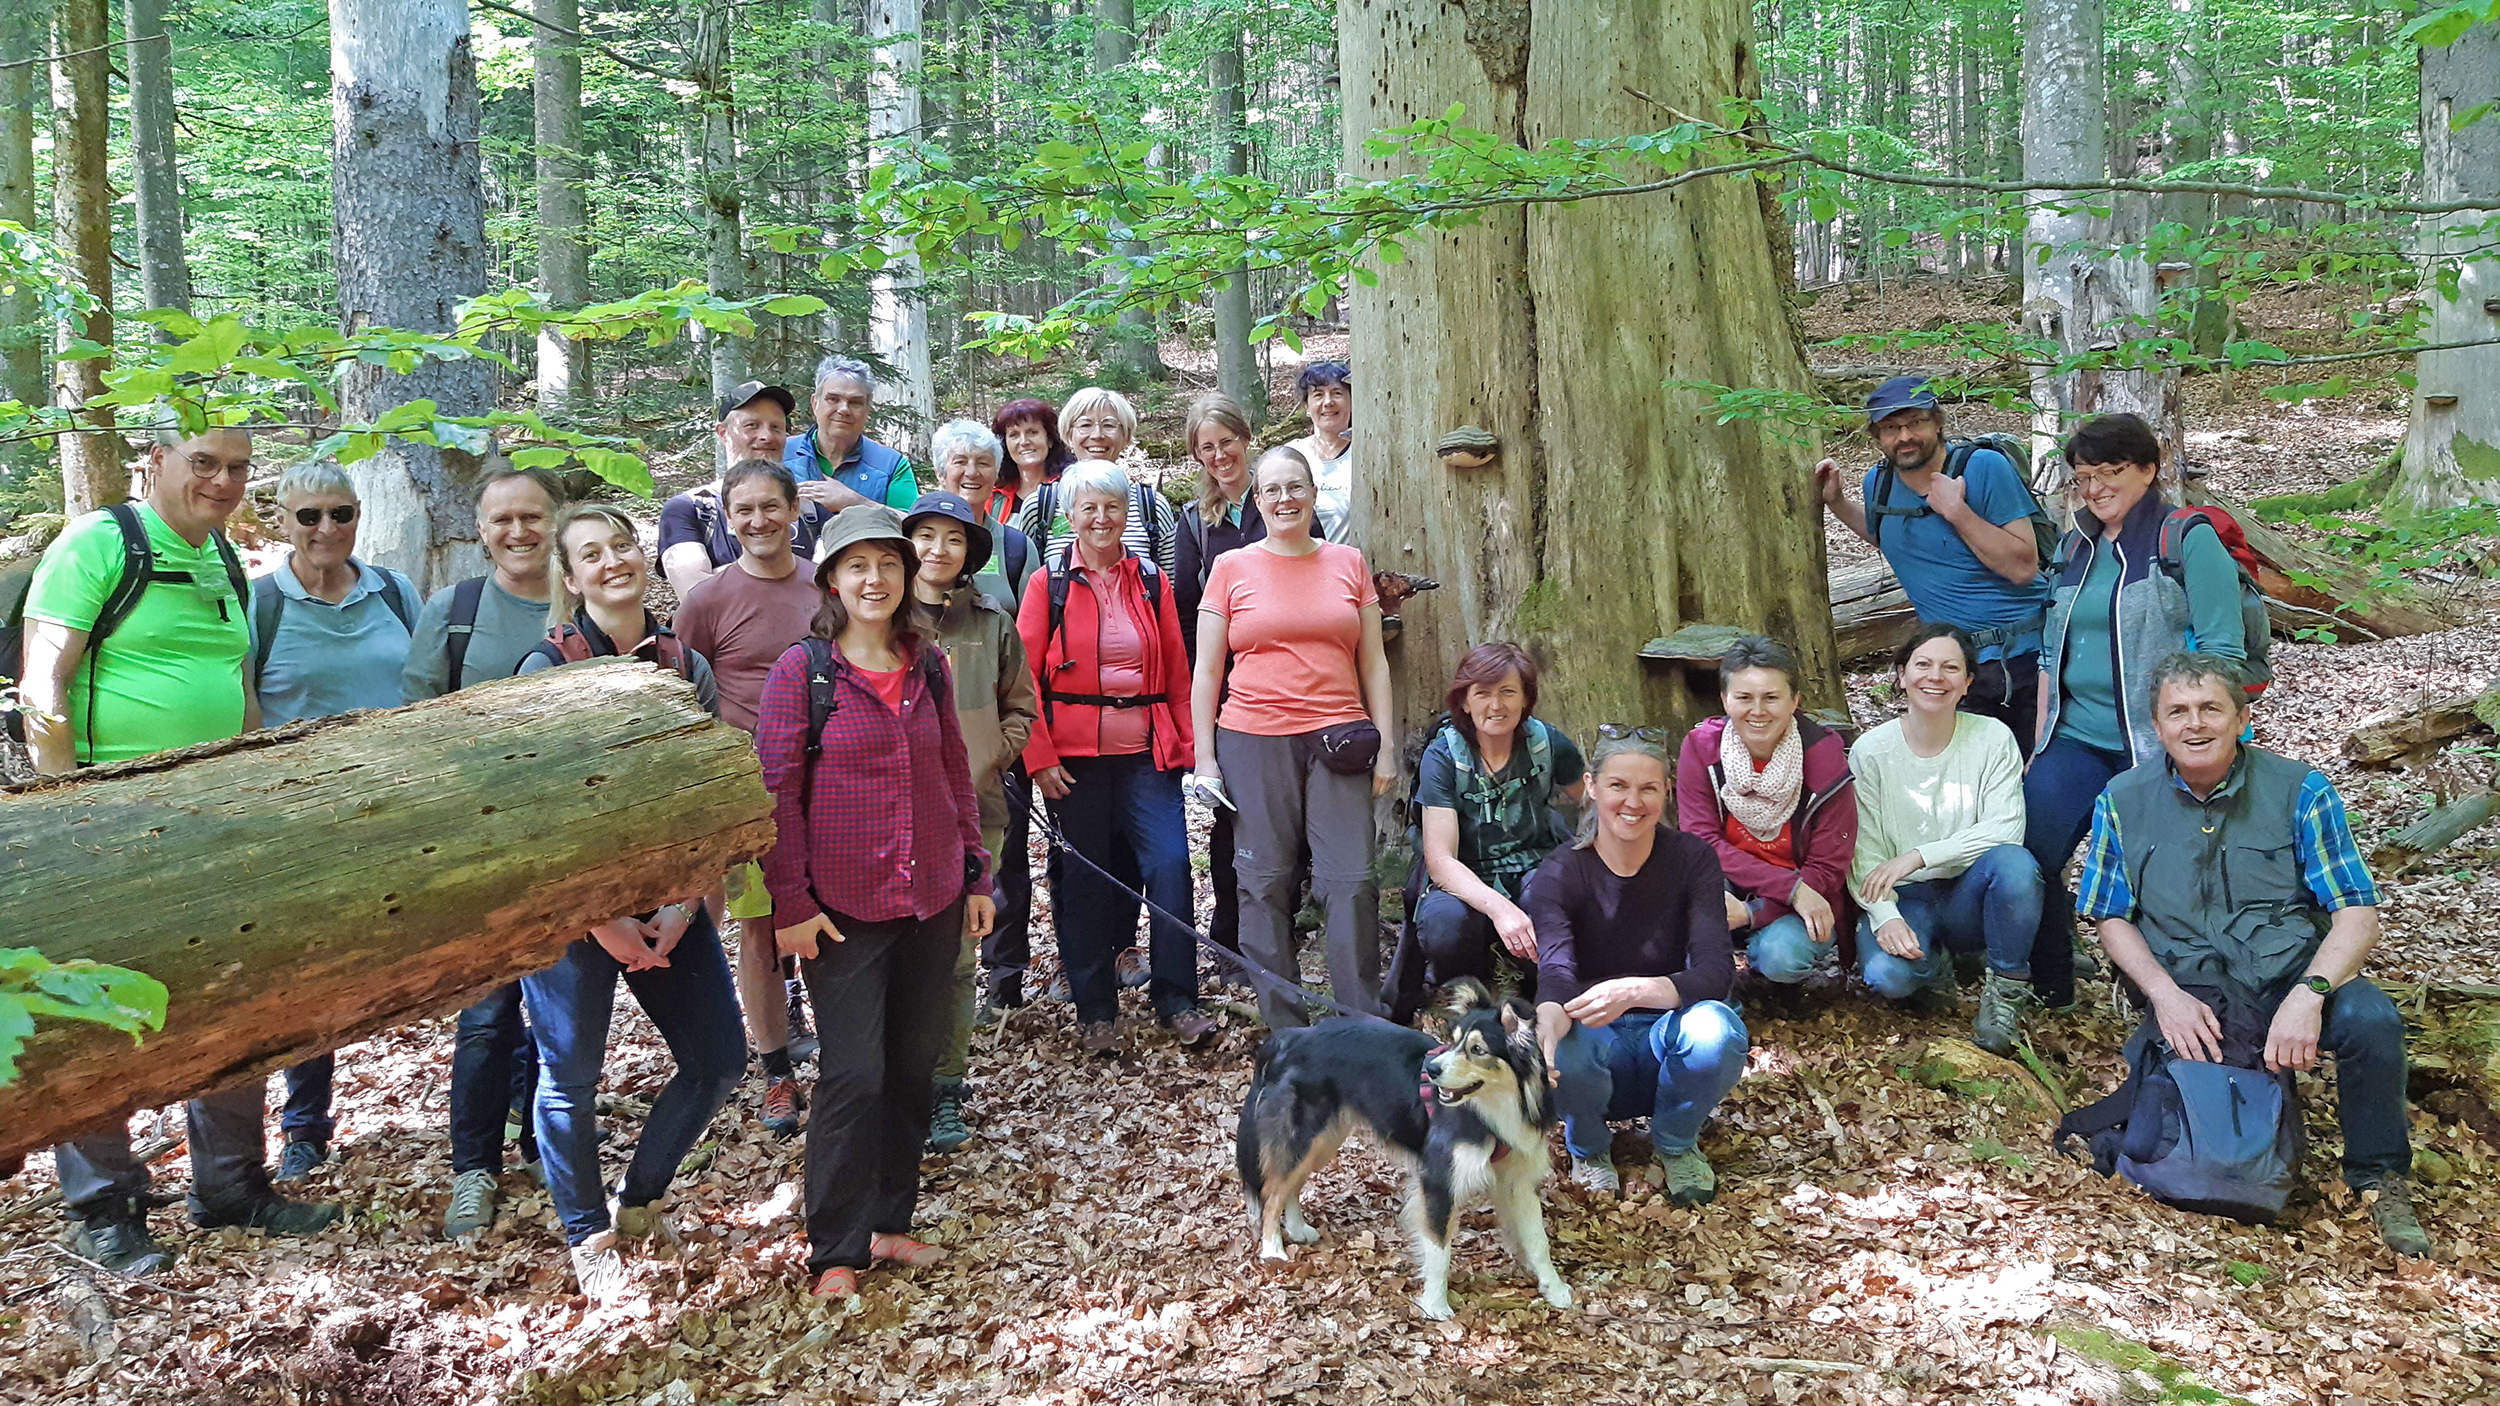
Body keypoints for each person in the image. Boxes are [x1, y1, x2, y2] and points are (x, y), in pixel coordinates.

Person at [18, 420, 337, 1273]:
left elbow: (237, 689)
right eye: (203, 463)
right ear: (153, 462)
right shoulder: (98, 542)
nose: (223, 481)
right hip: (106, 824)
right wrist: (62, 813)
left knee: (233, 999)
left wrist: (257, 791)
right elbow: (42, 683)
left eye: (237, 467)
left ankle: (231, 1186)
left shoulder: (224, 561)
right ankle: (104, 1207)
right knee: (97, 1011)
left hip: (215, 822)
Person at [2075, 652, 2428, 1258]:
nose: (2195, 724)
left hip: (2289, 972)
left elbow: (2357, 914)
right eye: (2177, 712)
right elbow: (2110, 915)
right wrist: (2163, 997)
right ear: (2156, 728)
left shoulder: (2301, 790)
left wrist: (2308, 997)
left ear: (2241, 718)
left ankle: (2380, 1176)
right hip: (2191, 988)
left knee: (2372, 1021)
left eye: (2211, 708)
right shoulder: (2122, 798)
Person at [754, 504, 994, 1300]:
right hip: (843, 910)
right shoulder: (804, 672)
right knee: (854, 1074)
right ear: (829, 579)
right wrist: (790, 904)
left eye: (887, 564)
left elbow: (954, 774)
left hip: (929, 900)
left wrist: (975, 876)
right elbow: (776, 797)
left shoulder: (926, 665)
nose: (874, 579)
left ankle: (890, 1222)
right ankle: (834, 1249)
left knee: (911, 1071)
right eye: (856, 566)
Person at [513, 503, 742, 1303]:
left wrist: (683, 904)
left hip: (668, 903)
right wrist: (597, 919)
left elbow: (709, 798)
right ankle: (588, 1234)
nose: (612, 562)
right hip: (576, 914)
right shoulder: (546, 670)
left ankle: (640, 1202)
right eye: (591, 555)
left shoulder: (683, 664)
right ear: (569, 579)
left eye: (622, 546)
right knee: (568, 1076)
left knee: (719, 1061)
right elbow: (535, 816)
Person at [2026, 412, 2248, 1011]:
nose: (2095, 487)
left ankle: (2166, 997)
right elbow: (2053, 650)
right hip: (2075, 737)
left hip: (2158, 745)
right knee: (2032, 853)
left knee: (2161, 871)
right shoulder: (2076, 543)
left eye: (2110, 472)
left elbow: (2225, 652)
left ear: (2149, 470)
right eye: (2083, 476)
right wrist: (2039, 743)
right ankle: (2052, 987)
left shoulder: (2186, 539)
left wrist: (2203, 741)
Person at [249, 460, 424, 1182]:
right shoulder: (261, 603)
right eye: (309, 516)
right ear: (281, 521)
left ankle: (498, 1109)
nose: (327, 530)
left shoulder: (395, 590)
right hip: (304, 824)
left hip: (402, 808)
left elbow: (425, 685)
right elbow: (247, 710)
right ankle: (304, 1127)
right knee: (308, 975)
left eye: (341, 514)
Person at [405, 462, 567, 1239]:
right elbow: (417, 721)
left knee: (557, 1008)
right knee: (486, 1011)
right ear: (481, 529)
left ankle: (543, 1140)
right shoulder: (457, 609)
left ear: (556, 521)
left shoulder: (580, 603)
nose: (519, 532)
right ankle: (474, 1168)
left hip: (570, 839)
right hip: (484, 840)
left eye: (532, 516)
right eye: (503, 519)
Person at [1191, 445, 1397, 1029]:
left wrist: (1384, 742)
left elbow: (1374, 663)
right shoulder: (1232, 567)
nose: (1285, 499)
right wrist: (1204, 759)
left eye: (1295, 487)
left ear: (1312, 495)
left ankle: (1362, 1023)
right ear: (1258, 500)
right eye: (1273, 490)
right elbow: (1207, 670)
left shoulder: (1348, 563)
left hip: (1340, 737)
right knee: (1263, 881)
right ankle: (1287, 1029)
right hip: (1253, 738)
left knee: (1351, 881)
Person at [1016, 462, 1215, 1053]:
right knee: (1083, 880)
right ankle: (1095, 1008)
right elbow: (1022, 682)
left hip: (1146, 754)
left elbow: (1178, 671)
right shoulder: (1047, 583)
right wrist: (1039, 758)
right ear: (1070, 515)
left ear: (1127, 514)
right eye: (1089, 508)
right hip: (1073, 758)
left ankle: (1177, 997)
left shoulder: (1150, 580)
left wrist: (1186, 746)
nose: (1101, 519)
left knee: (1172, 867)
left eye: (1112, 507)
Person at [1530, 732, 1749, 1206]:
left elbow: (1715, 972)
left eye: (1648, 788)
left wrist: (1633, 991)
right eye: (1618, 786)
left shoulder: (1692, 859)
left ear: (1666, 791)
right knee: (1559, 1041)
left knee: (1719, 1028)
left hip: (1666, 1044)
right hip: (1593, 1049)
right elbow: (1557, 972)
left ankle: (1676, 1141)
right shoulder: (1559, 872)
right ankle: (1588, 1148)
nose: (1633, 802)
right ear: (1591, 786)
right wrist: (1547, 1020)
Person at [673, 459, 826, 1138]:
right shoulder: (708, 600)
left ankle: (845, 1051)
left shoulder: (825, 589)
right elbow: (682, 692)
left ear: (794, 511)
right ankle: (775, 1072)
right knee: (761, 931)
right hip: (750, 795)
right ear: (728, 522)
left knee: (834, 921)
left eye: (772, 507)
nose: (760, 522)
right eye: (745, 512)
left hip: (831, 788)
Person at [901, 492, 1041, 1149]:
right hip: (887, 819)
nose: (937, 550)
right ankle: (893, 1085)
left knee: (958, 958)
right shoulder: (879, 617)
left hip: (974, 814)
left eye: (952, 539)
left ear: (970, 553)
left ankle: (944, 1092)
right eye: (925, 536)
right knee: (893, 956)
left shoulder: (991, 621)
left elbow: (1021, 703)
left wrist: (992, 755)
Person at [1812, 375, 2051, 753]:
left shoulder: (1983, 468)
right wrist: (1839, 504)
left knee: (2033, 784)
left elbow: (2023, 568)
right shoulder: (1880, 481)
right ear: (1876, 436)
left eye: (1915, 423)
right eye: (1891, 428)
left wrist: (1958, 512)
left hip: (2023, 660)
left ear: (1938, 422)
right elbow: (1892, 537)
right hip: (1950, 668)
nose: (1904, 436)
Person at [1847, 624, 2043, 1054]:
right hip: (1904, 899)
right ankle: (1933, 969)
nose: (1935, 677)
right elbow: (1863, 851)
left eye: (1950, 667)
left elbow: (2005, 828)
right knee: (1888, 977)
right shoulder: (1871, 750)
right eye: (1923, 665)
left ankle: (2005, 993)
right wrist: (1886, 917)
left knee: (2016, 865)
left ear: (1967, 682)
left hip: (1966, 894)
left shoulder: (1991, 738)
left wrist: (1918, 855)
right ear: (1901, 674)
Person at [1404, 643, 1584, 1002]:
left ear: (1525, 699)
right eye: (1482, 694)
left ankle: (1541, 988)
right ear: (1465, 702)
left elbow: (1593, 804)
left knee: (1554, 903)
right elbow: (1441, 861)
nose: (1496, 705)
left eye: (1507, 692)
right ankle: (1471, 992)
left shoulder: (1548, 744)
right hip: (1465, 877)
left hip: (1534, 866)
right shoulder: (1443, 756)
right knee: (1445, 926)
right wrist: (1502, 910)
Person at [1676, 635, 1857, 987]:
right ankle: (1713, 991)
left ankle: (1769, 976)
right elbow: (1700, 841)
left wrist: (1755, 911)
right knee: (1684, 899)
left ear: (1794, 700)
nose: (1757, 711)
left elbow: (1828, 870)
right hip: (1741, 883)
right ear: (1724, 700)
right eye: (1744, 698)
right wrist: (1788, 888)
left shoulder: (1824, 760)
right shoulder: (1701, 749)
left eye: (1771, 698)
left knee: (1779, 956)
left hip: (1807, 893)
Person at [1172, 392, 1264, 953]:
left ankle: (1283, 919)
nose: (1220, 455)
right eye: (1207, 448)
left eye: (1226, 442)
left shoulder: (1280, 497)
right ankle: (1229, 938)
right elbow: (1187, 612)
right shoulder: (1196, 522)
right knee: (1233, 820)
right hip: (1230, 690)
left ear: (1245, 438)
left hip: (1290, 684)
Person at [659, 381, 822, 600]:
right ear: (723, 433)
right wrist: (793, 578)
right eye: (752, 426)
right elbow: (696, 597)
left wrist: (720, 575)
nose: (766, 436)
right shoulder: (690, 509)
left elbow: (829, 589)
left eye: (776, 427)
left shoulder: (812, 511)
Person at [1014, 387, 1178, 575]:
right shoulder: (1040, 506)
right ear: (1069, 435)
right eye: (1085, 425)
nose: (1097, 435)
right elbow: (1027, 587)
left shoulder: (1151, 507)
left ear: (1125, 437)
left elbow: (1170, 586)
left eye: (1109, 425)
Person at [784, 355, 921, 512]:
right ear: (815, 403)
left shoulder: (891, 465)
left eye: (855, 402)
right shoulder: (782, 454)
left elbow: (912, 526)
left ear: (868, 409)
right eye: (833, 399)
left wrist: (856, 502)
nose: (843, 409)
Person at [929, 418, 1037, 610]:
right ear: (939, 472)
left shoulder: (1017, 548)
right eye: (960, 461)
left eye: (983, 463)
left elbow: (1032, 630)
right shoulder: (915, 543)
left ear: (996, 474)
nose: (972, 472)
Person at [1284, 362, 1354, 544]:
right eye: (1318, 395)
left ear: (1352, 402)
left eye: (1337, 393)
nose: (1328, 402)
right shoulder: (1292, 456)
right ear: (1307, 407)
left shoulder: (1369, 454)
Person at [992, 396, 1073, 524]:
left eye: (1032, 432)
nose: (1024, 442)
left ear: (1050, 439)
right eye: (1014, 435)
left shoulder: (1070, 488)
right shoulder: (995, 496)